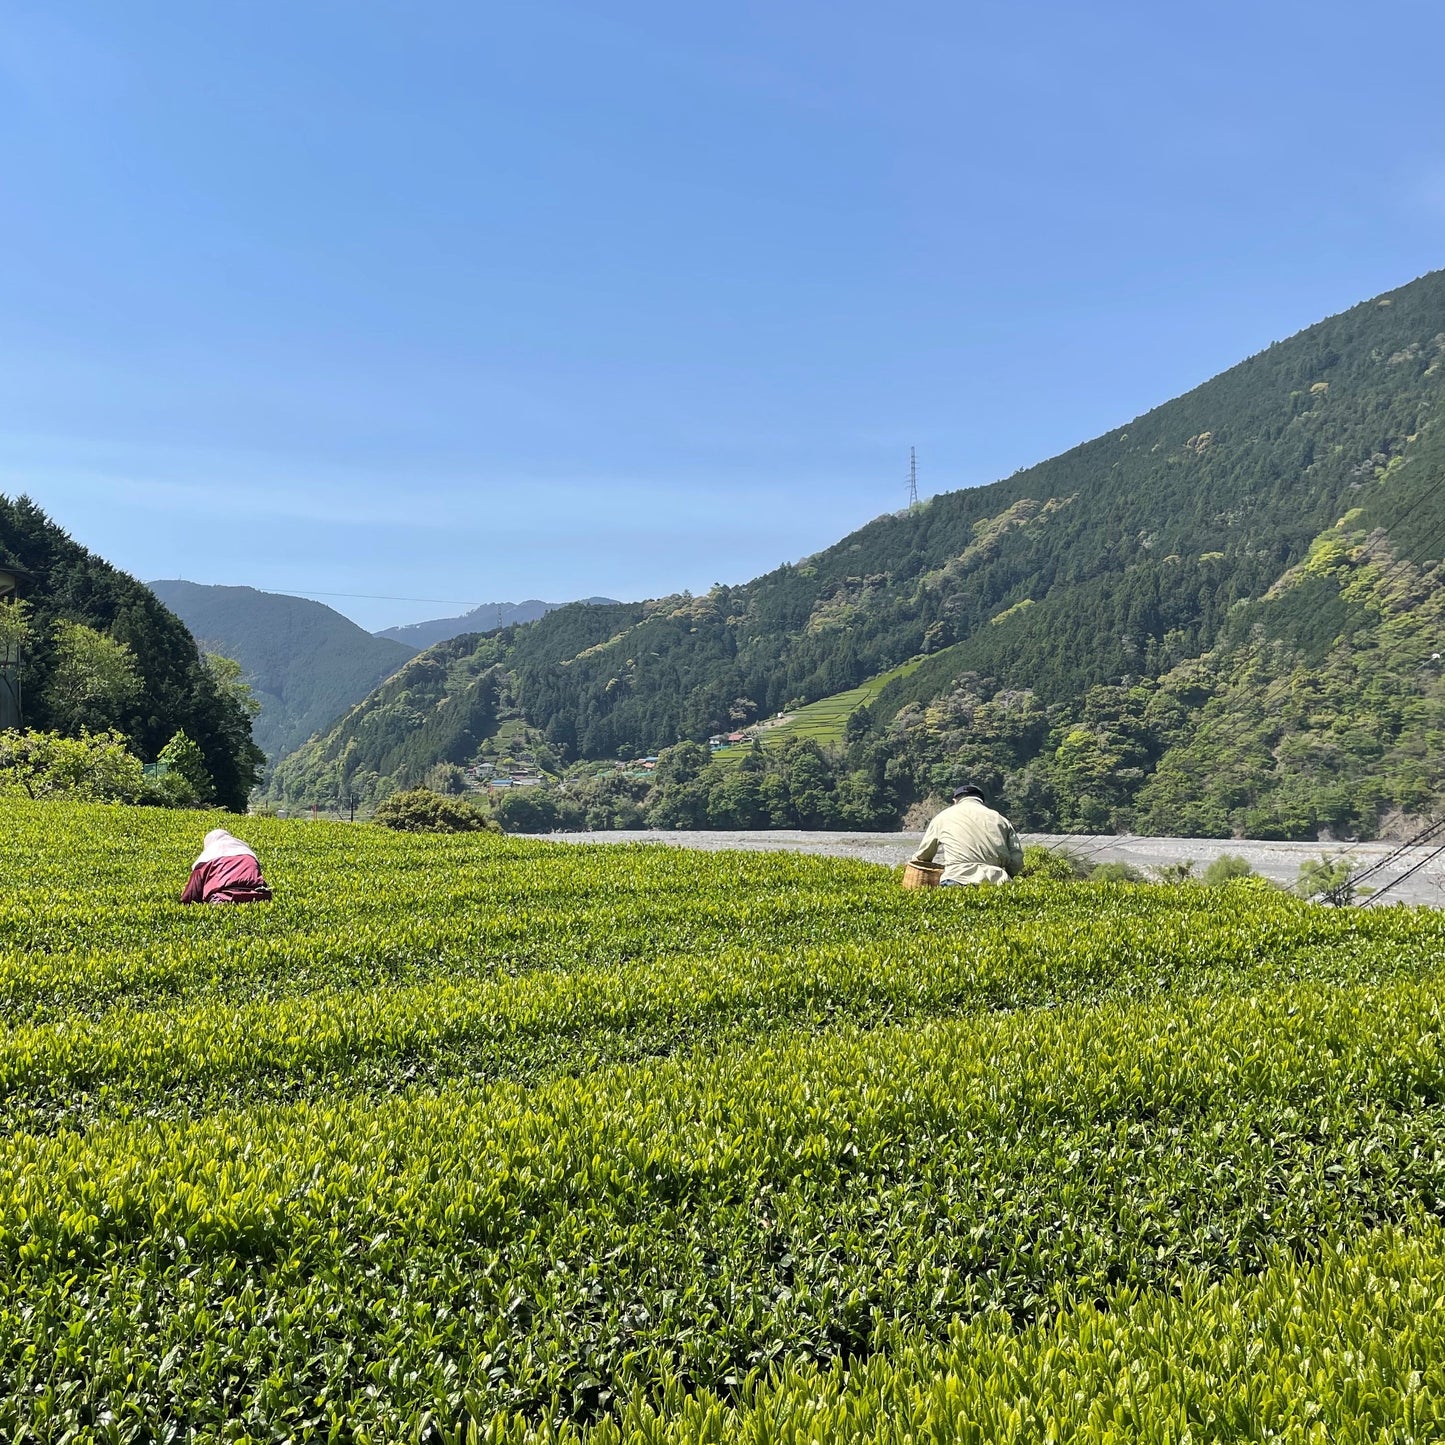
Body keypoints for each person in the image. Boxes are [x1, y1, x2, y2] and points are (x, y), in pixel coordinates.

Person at [909, 784, 1024, 886]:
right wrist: (1008, 873)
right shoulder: (1001, 819)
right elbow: (1017, 860)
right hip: (997, 881)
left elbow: (924, 855)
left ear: (955, 800)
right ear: (981, 801)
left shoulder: (942, 817)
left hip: (956, 879)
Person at [181, 828, 273, 904]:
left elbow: (191, 895)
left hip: (223, 899)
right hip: (258, 898)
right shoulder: (248, 854)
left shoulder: (206, 858)